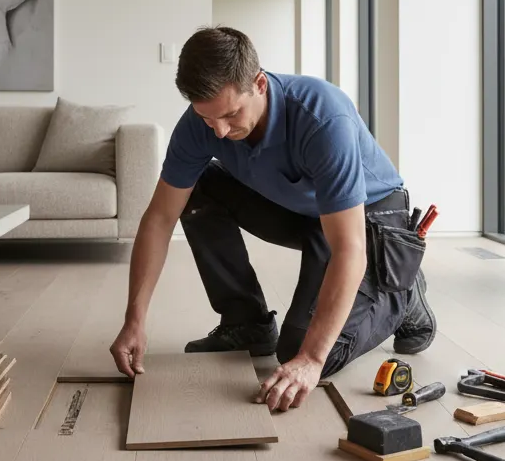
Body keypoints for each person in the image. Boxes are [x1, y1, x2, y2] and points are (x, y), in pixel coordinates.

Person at [108, 26, 436, 412]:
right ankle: (246, 324)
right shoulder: (201, 124)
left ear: (259, 84)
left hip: (370, 220)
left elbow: (348, 247)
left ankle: (403, 290)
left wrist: (311, 361)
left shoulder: (323, 118)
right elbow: (160, 217)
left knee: (304, 351)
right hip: (307, 211)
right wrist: (134, 319)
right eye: (208, 118)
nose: (220, 131)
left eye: (231, 115)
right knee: (195, 191)